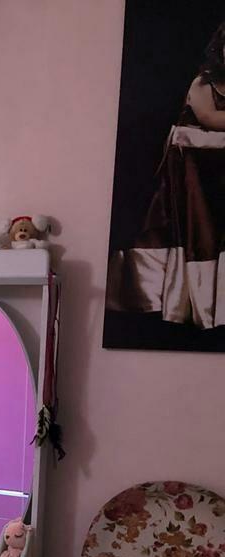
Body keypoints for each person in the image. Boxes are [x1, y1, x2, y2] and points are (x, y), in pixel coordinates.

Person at [111, 20, 225, 329]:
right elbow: (208, 117)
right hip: (193, 166)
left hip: (217, 164)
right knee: (197, 223)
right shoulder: (204, 82)